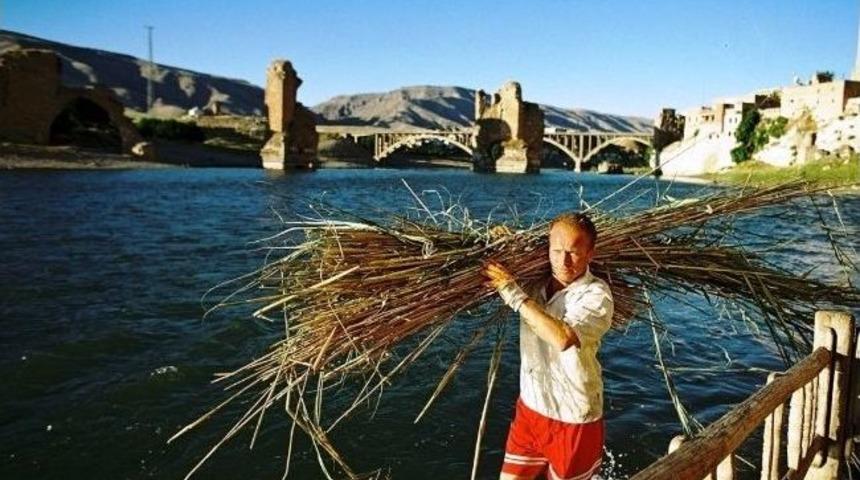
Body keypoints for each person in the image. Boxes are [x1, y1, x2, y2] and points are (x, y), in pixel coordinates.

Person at [482, 212, 613, 480]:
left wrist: (512, 292)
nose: (563, 262)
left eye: (573, 253)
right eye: (556, 251)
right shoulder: (534, 281)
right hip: (531, 409)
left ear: (590, 253)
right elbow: (492, 264)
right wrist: (500, 242)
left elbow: (562, 338)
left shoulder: (597, 295)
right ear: (547, 249)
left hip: (574, 419)